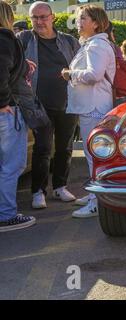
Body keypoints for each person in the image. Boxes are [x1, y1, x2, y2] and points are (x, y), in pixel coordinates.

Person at [17, 1, 81, 210]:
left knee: (65, 148)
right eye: (35, 17)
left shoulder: (69, 41)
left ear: (52, 17)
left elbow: (81, 67)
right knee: (42, 148)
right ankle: (38, 191)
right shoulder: (24, 39)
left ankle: (60, 186)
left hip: (67, 102)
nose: (39, 21)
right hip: (37, 104)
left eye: (43, 17)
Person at [61, 5, 115, 218]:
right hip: (92, 106)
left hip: (94, 107)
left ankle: (97, 202)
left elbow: (94, 74)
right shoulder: (93, 44)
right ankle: (94, 194)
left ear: (96, 23)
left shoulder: (96, 45)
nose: (78, 22)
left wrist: (70, 74)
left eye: (83, 18)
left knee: (95, 156)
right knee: (94, 155)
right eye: (78, 18)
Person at [0, 0, 36, 232]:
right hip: (7, 110)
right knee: (12, 164)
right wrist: (2, 101)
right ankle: (6, 215)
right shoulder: (4, 37)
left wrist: (23, 66)